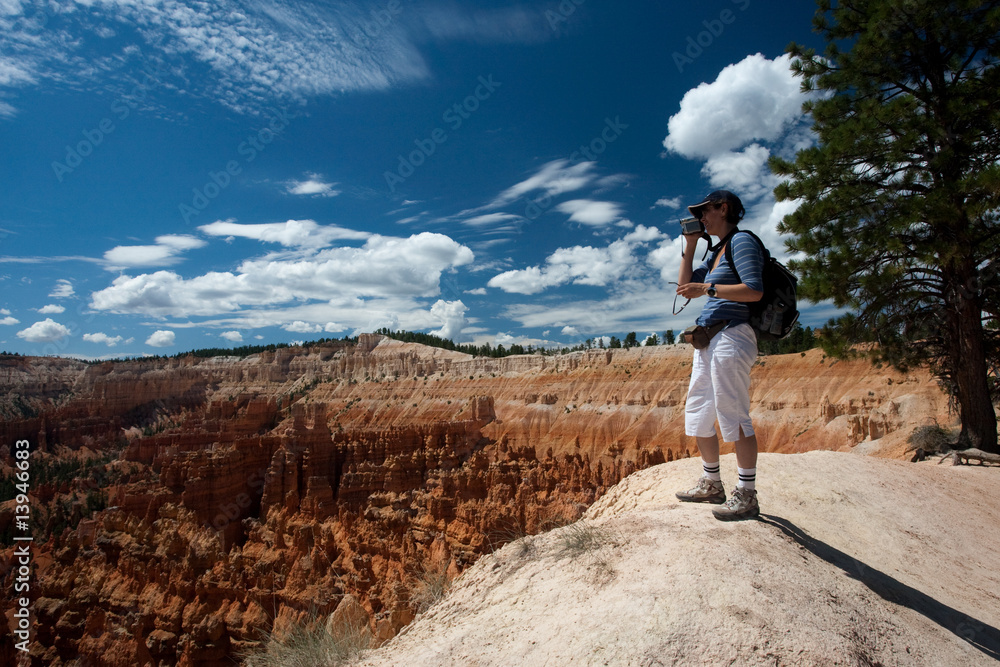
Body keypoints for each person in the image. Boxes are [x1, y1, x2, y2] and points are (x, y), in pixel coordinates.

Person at [674, 190, 763, 520]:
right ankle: (712, 483)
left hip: (733, 335)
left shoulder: (743, 243)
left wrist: (708, 289)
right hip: (708, 340)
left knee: (733, 413)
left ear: (723, 208)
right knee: (698, 411)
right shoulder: (714, 254)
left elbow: (754, 290)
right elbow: (684, 287)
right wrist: (692, 245)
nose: (701, 218)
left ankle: (747, 493)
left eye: (704, 212)